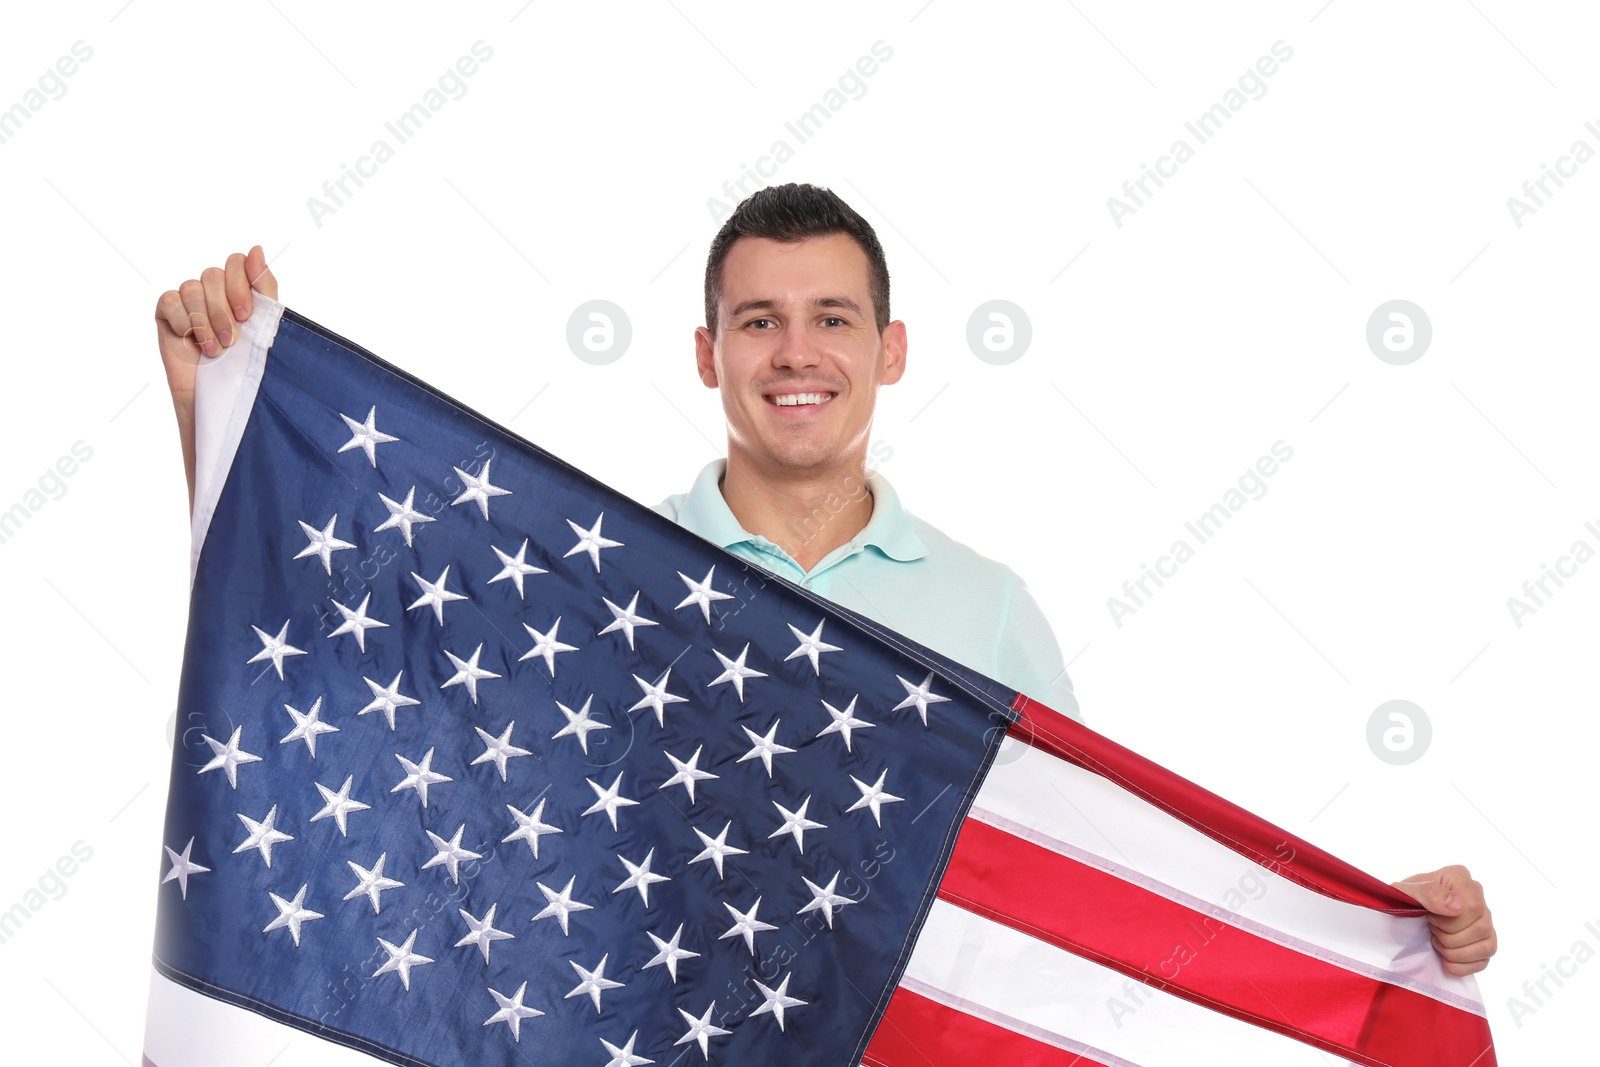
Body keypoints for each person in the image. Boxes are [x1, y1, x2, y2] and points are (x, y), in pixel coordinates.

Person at [151, 184, 1497, 978]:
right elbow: (343, 665)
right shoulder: (600, 574)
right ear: (707, 352)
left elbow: (1102, 888)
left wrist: (1377, 928)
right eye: (760, 320)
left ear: (890, 349)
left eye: (832, 318)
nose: (797, 352)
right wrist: (220, 411)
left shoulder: (987, 610)